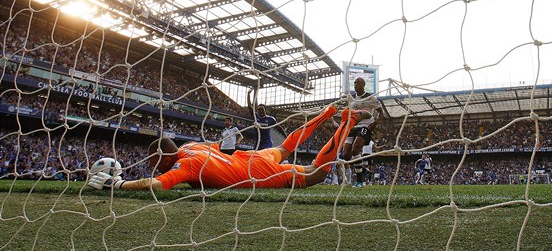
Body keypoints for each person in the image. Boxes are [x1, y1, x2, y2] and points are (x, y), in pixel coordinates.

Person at [88, 106, 372, 190]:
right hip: (248, 158)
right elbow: (218, 146)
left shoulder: (184, 165)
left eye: (154, 161)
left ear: (165, 158)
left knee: (317, 173)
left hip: (254, 173)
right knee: (285, 149)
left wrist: (120, 184)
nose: (152, 165)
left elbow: (157, 185)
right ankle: (329, 113)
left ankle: (346, 122)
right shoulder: (190, 146)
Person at [332, 77, 384, 186]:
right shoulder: (351, 99)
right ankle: (363, 170)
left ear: (363, 84)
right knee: (346, 155)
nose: (355, 85)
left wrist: (374, 124)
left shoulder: (370, 98)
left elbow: (381, 112)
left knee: (355, 150)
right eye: (354, 83)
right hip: (353, 127)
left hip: (365, 126)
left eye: (358, 83)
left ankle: (359, 181)